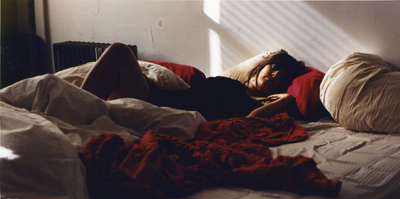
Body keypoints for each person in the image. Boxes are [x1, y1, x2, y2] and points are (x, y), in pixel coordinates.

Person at [81, 42, 306, 121]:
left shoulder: (261, 104)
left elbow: (252, 121)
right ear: (260, 67)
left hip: (157, 106)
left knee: (120, 52)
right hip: (158, 95)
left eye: (282, 76)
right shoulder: (232, 83)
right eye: (274, 67)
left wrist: (286, 98)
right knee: (118, 56)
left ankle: (75, 107)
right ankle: (75, 105)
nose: (275, 74)